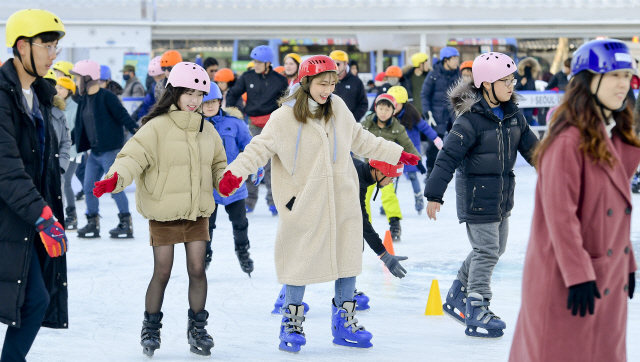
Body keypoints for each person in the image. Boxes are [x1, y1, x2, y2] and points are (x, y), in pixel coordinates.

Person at [217, 55, 419, 353]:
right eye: (323, 83)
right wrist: (235, 173)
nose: (328, 89)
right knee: (299, 262)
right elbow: (259, 148)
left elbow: (360, 139)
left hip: (343, 197)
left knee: (348, 257)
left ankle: (344, 321)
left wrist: (395, 153)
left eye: (333, 83)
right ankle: (291, 323)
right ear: (306, 82)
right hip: (303, 202)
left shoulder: (337, 107)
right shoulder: (284, 117)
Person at [510, 39, 640, 362]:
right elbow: (560, 217)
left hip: (606, 273)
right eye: (613, 75)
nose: (623, 84)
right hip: (567, 279)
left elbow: (613, 213)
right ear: (588, 81)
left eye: (627, 76)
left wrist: (628, 261)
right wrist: (578, 273)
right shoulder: (567, 142)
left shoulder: (613, 137)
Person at [92, 62, 225, 358]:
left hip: (197, 211)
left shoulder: (208, 129)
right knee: (162, 272)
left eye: (199, 94)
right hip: (164, 211)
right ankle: (150, 329)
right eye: (188, 92)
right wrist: (115, 178)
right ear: (174, 92)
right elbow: (132, 158)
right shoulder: (155, 127)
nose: (194, 100)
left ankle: (198, 329)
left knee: (198, 270)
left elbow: (218, 164)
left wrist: (224, 180)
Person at [424, 52, 539, 338]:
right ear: (486, 84)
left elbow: (535, 150)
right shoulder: (469, 120)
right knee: (487, 251)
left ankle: (457, 292)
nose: (512, 85)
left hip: (501, 196)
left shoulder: (514, 115)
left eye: (512, 79)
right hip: (476, 196)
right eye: (505, 80)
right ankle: (477, 305)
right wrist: (434, 194)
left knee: (493, 249)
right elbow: (447, 157)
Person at [0, 9, 69, 361]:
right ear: (22, 46)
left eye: (56, 46)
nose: (53, 53)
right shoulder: (2, 98)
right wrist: (44, 218)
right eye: (47, 45)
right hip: (11, 214)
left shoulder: (41, 97)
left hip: (24, 217)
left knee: (35, 299)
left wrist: (49, 212)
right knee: (30, 298)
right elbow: (7, 170)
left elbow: (44, 168)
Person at [71, 59, 138, 239]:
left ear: (87, 78)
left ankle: (126, 222)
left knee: (114, 187)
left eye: (78, 78)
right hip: (94, 153)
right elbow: (78, 127)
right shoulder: (84, 100)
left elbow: (123, 116)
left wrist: (137, 132)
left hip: (111, 152)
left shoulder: (107, 97)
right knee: (89, 187)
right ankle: (93, 222)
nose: (76, 82)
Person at [201, 82, 261, 275]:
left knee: (240, 222)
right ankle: (204, 256)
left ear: (220, 101)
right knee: (206, 226)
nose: (210, 106)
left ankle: (243, 253)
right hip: (207, 187)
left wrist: (258, 166)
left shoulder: (235, 123)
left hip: (233, 184)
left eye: (214, 101)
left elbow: (250, 147)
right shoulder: (195, 126)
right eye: (206, 102)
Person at [226, 45, 288, 216]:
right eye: (254, 61)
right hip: (253, 124)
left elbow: (286, 101)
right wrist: (232, 113)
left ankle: (273, 201)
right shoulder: (247, 76)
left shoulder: (279, 80)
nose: (256, 64)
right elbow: (233, 93)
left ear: (268, 63)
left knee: (271, 165)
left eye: (259, 62)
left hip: (273, 125)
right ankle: (249, 201)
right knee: (252, 160)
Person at [362, 93, 421, 241]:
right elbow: (355, 138)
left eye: (387, 109)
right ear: (375, 108)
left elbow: (407, 144)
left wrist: (416, 159)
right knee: (363, 197)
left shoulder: (397, 127)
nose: (383, 112)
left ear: (393, 111)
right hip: (368, 169)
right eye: (380, 108)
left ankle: (395, 224)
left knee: (389, 196)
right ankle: (364, 225)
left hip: (387, 171)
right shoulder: (367, 123)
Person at [387, 85, 442, 215]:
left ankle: (419, 200)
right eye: (391, 104)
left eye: (396, 105)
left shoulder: (412, 115)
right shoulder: (388, 116)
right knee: (392, 179)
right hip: (395, 153)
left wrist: (436, 139)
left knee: (412, 176)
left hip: (411, 153)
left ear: (403, 103)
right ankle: (389, 203)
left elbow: (425, 128)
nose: (393, 108)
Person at [420, 46, 461, 176]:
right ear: (445, 60)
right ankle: (430, 172)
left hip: (453, 116)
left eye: (457, 58)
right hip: (436, 116)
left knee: (455, 144)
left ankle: (451, 171)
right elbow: (424, 94)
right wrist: (427, 112)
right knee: (433, 146)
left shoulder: (458, 74)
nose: (456, 61)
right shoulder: (434, 75)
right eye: (454, 58)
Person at [55, 76, 81, 230]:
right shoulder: (57, 106)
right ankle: (64, 215)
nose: (58, 91)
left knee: (65, 182)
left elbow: (76, 131)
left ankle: (71, 215)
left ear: (69, 91)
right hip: (60, 151)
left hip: (71, 151)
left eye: (61, 88)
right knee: (62, 182)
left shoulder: (75, 107)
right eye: (57, 88)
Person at [43, 70, 71, 175]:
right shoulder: (27, 110)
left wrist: (60, 167)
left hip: (54, 172)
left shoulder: (58, 114)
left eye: (51, 85)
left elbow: (65, 142)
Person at [330, 50, 369, 122]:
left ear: (345, 64)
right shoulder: (327, 81)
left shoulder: (356, 81)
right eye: (332, 64)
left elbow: (363, 104)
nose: (335, 67)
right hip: (330, 124)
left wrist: (353, 119)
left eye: (338, 64)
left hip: (350, 125)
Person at [132, 56, 165, 121]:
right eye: (154, 77)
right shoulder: (153, 88)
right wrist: (132, 120)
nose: (157, 80)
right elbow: (145, 106)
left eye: (159, 76)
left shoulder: (175, 88)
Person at [515, 57, 541, 125]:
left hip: (530, 104)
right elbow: (512, 88)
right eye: (526, 66)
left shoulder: (531, 78)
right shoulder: (516, 76)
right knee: (521, 121)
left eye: (530, 66)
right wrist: (521, 83)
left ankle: (540, 131)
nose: (528, 68)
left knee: (530, 119)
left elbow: (534, 90)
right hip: (519, 104)